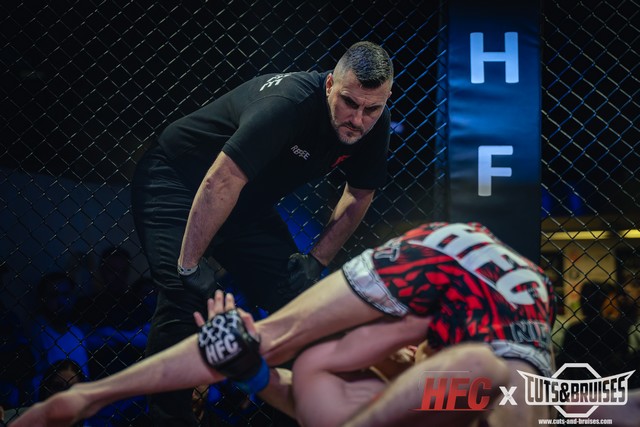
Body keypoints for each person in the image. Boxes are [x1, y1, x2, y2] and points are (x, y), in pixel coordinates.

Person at [12, 222, 573, 427]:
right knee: (287, 347)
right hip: (458, 283)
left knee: (269, 346)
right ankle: (89, 397)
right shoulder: (495, 391)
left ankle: (88, 396)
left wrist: (252, 373)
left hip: (466, 274)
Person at [131, 40, 394, 424]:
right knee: (185, 295)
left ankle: (297, 414)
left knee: (299, 296)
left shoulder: (374, 122)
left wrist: (316, 260)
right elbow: (221, 179)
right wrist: (189, 265)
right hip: (179, 182)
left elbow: (359, 193)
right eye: (349, 103)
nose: (357, 119)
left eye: (371, 108)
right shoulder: (288, 103)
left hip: (245, 203)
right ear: (329, 86)